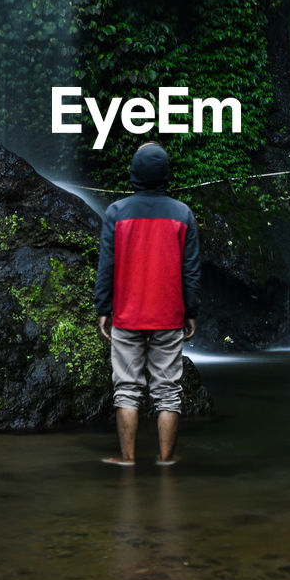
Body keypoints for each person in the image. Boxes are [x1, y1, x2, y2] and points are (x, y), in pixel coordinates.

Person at [94, 141, 201, 465]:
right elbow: (191, 269)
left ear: (135, 174)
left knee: (126, 389)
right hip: (169, 316)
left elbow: (106, 266)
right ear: (165, 175)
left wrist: (103, 308)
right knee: (168, 392)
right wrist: (191, 311)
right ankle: (166, 459)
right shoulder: (183, 214)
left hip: (127, 314)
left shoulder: (116, 212)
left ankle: (127, 459)